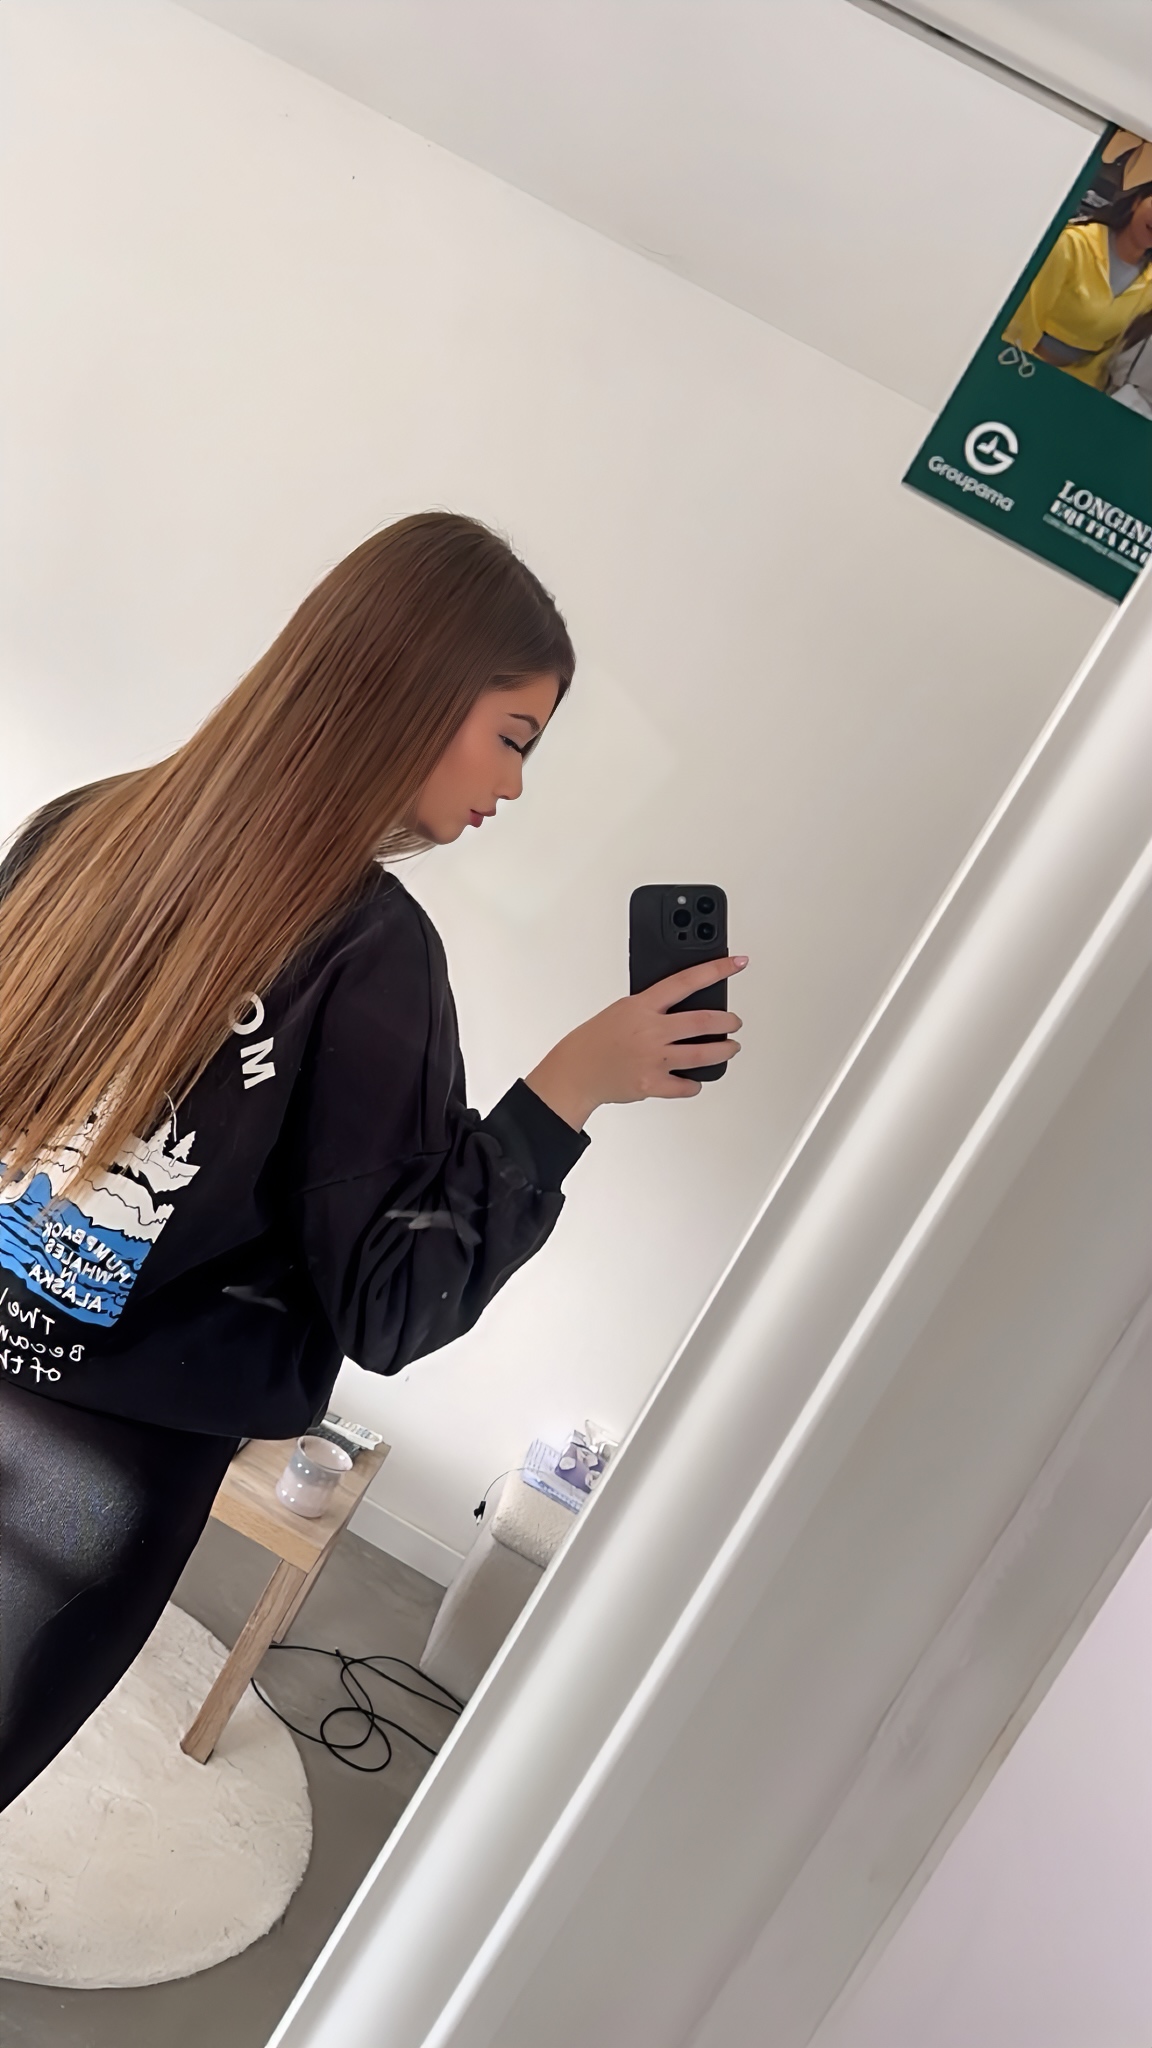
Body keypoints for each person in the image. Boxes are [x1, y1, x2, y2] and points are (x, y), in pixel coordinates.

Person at [0, 512, 745, 1809]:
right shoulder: (368, 951)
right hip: (91, 1483)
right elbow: (397, 1298)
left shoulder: (85, 826)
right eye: (513, 737)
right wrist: (571, 1086)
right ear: (410, 694)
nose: (514, 787)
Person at [1003, 180, 1152, 387]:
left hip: (1079, 387)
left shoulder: (1149, 284)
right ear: (1137, 202)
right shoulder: (1073, 244)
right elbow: (1025, 316)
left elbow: (1114, 352)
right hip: (1021, 367)